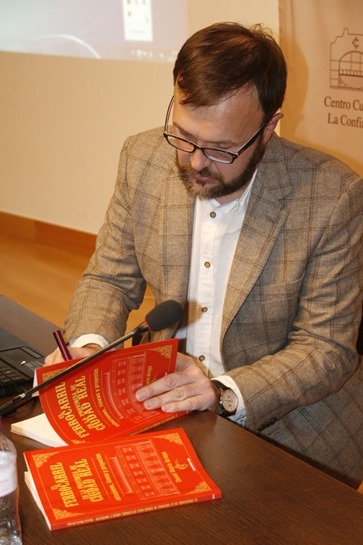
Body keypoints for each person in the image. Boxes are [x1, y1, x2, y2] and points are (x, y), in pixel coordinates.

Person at [46, 22, 363, 487]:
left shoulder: (332, 196)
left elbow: (326, 348)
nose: (195, 161)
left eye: (219, 148)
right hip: (168, 404)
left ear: (269, 127)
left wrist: (223, 393)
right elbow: (110, 279)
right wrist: (90, 352)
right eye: (184, 135)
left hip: (294, 427)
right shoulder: (143, 158)